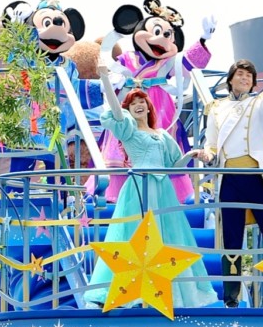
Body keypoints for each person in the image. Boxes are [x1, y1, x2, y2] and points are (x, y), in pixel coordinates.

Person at [85, 69, 217, 309]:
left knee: (166, 237)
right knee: (136, 235)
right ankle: (135, 292)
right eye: (132, 103)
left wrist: (191, 154)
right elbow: (115, 111)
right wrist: (105, 78)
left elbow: (173, 166)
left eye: (141, 101)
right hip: (139, 187)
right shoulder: (128, 129)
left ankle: (167, 291)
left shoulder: (162, 135)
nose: (137, 105)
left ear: (148, 106)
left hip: (162, 188)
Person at [199, 37, 263, 306]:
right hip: (230, 179)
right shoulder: (216, 108)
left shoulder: (258, 104)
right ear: (230, 79)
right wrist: (208, 154)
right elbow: (212, 143)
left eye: (249, 76)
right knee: (231, 237)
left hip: (255, 177)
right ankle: (231, 297)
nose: (245, 78)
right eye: (240, 74)